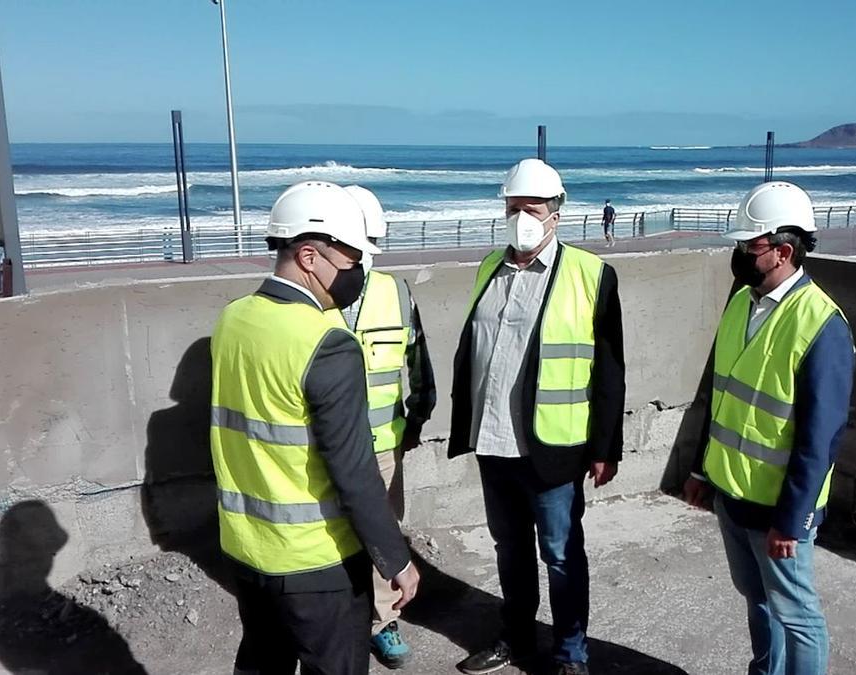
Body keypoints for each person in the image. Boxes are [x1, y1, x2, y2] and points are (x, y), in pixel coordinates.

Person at [210, 181, 420, 674]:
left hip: (245, 548)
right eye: (349, 260)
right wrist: (395, 560)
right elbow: (354, 472)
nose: (356, 273)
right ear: (309, 256)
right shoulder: (327, 342)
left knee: (263, 663)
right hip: (316, 562)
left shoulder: (232, 320)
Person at [450, 159, 625, 675]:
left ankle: (572, 653)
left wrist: (604, 447)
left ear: (556, 214)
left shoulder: (592, 274)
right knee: (510, 550)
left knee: (563, 555)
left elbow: (610, 370)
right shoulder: (489, 268)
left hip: (553, 448)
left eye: (530, 208)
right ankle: (517, 637)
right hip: (493, 441)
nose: (520, 218)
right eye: (512, 208)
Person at [683, 181, 855, 675]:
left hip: (779, 512)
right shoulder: (742, 302)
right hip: (732, 496)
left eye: (748, 245)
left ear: (782, 251)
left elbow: (820, 439)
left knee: (798, 616)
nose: (739, 253)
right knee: (756, 600)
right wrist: (701, 471)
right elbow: (718, 398)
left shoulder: (821, 324)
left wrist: (794, 519)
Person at [332, 185, 437, 669]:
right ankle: (334, 616)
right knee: (328, 537)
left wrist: (417, 416)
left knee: (383, 535)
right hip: (322, 448)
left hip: (381, 445)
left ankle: (382, 621)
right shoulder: (310, 298)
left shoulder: (394, 292)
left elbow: (417, 360)